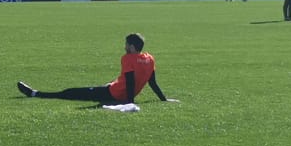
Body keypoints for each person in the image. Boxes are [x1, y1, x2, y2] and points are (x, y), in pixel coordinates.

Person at [18, 32, 174, 105]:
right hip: (115, 89)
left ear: (132, 47)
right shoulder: (149, 58)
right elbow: (152, 82)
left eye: (126, 44)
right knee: (101, 87)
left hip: (114, 94)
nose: (124, 47)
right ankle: (35, 93)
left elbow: (130, 81)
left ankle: (35, 93)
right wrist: (164, 99)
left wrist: (129, 103)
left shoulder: (128, 58)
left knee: (72, 93)